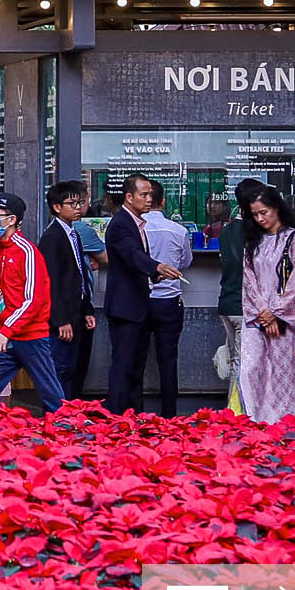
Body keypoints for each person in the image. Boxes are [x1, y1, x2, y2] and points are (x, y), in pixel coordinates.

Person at [0, 193, 64, 417]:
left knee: (50, 395)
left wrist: (5, 331)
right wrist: (5, 329)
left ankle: (66, 436)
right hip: (8, 335)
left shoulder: (26, 251)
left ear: (12, 220)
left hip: (30, 336)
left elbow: (32, 299)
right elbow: (4, 293)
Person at [102, 174, 183, 413]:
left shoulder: (136, 222)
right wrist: (155, 267)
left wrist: (155, 275)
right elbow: (131, 254)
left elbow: (135, 262)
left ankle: (132, 415)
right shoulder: (121, 224)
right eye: (143, 195)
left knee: (134, 367)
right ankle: (116, 417)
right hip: (125, 307)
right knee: (123, 367)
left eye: (150, 195)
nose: (149, 199)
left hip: (137, 305)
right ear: (129, 197)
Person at [238, 186, 295, 423]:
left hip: (284, 320)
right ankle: (256, 419)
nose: (260, 219)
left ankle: (291, 421)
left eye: (264, 212)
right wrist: (264, 313)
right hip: (258, 317)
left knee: (285, 373)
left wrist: (277, 314)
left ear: (277, 208)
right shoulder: (253, 241)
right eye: (255, 214)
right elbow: (248, 278)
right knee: (251, 370)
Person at [39, 181, 98, 402]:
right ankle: (57, 420)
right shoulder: (52, 237)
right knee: (60, 371)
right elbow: (50, 282)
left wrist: (87, 310)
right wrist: (61, 320)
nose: (77, 207)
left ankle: (70, 417)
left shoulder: (73, 233)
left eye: (79, 203)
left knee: (73, 369)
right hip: (62, 319)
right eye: (71, 203)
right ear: (56, 207)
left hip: (77, 313)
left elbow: (80, 275)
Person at [140, 182, 194, 417]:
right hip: (170, 302)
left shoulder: (135, 229)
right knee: (168, 361)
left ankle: (136, 412)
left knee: (136, 359)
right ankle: (169, 413)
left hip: (140, 302)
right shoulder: (178, 231)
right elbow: (185, 263)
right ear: (163, 202)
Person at [215, 180, 259, 397]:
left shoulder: (226, 231)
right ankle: (237, 413)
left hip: (227, 303)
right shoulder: (257, 233)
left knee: (236, 360)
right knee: (243, 366)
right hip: (246, 307)